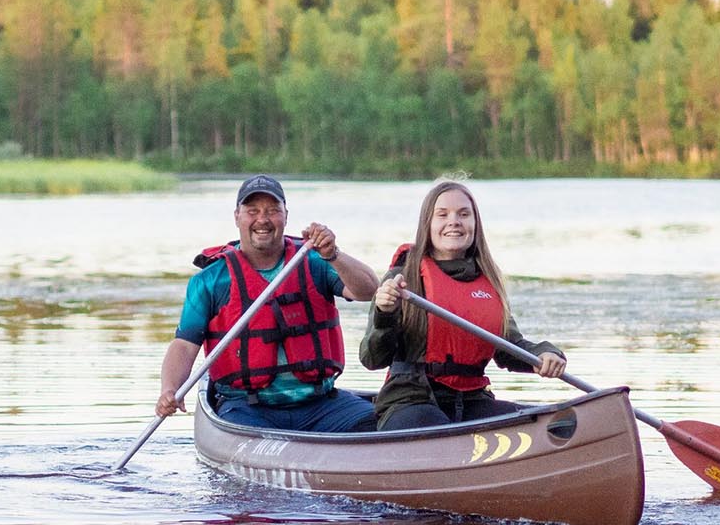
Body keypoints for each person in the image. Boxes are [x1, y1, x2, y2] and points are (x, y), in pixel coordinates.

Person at [156, 174, 380, 431]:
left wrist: (333, 254)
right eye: (252, 211)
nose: (262, 219)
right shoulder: (210, 280)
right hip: (247, 410)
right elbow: (184, 345)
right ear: (237, 216)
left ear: (286, 216)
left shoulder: (315, 261)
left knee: (382, 423)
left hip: (321, 406)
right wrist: (170, 389)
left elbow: (369, 290)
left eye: (273, 210)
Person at [359, 179, 567, 430]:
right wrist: (385, 314)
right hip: (410, 400)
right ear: (428, 224)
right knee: (438, 428)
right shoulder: (402, 277)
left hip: (472, 399)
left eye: (463, 214)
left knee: (553, 425)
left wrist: (543, 354)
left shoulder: (488, 280)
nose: (454, 221)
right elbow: (371, 359)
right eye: (442, 214)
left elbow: (509, 348)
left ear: (475, 224)